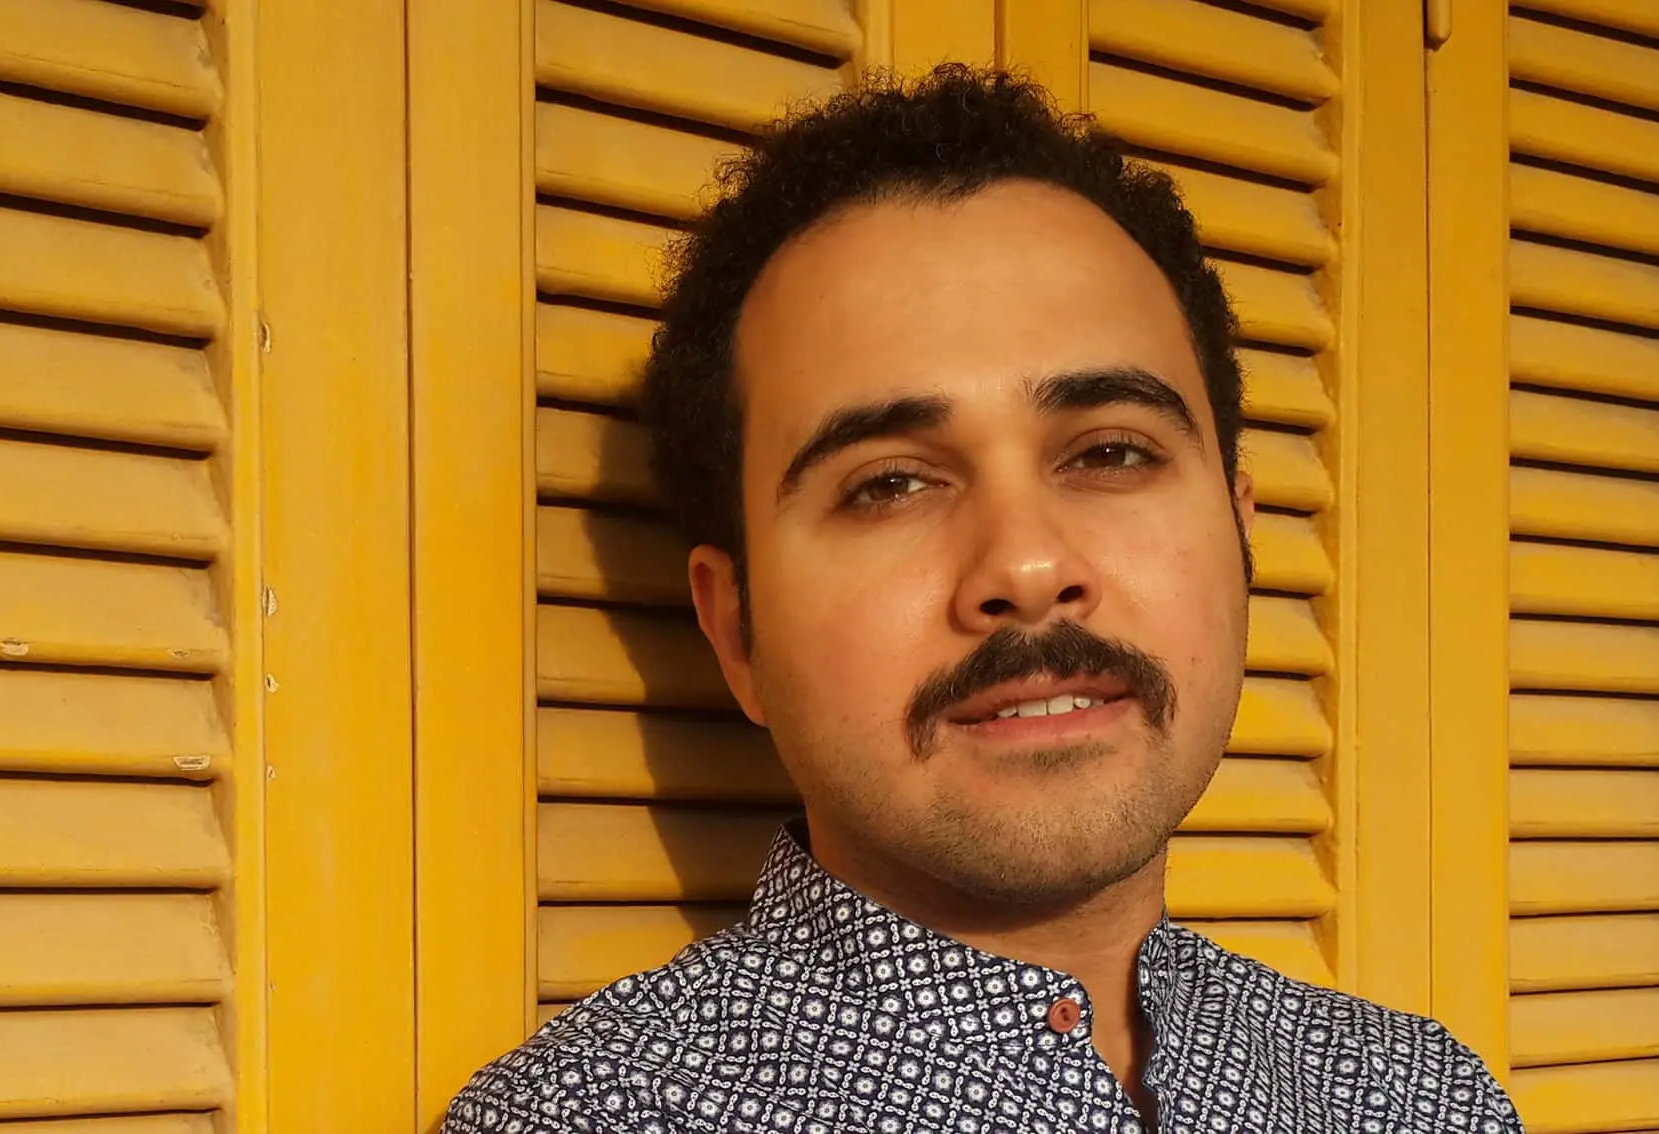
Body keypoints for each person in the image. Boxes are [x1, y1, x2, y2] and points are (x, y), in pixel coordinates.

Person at [445, 65, 1520, 1132]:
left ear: (1242, 540)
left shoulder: (1421, 1095)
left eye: (1110, 451)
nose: (1026, 564)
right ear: (736, 629)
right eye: (891, 483)